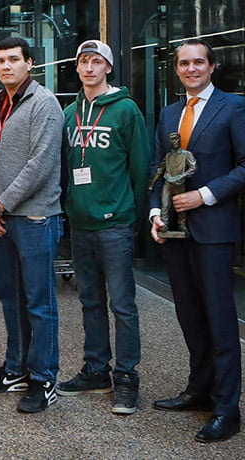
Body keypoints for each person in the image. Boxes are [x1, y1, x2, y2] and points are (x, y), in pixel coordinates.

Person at [149, 38, 245, 443]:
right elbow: (158, 169)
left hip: (213, 229)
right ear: (176, 69)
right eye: (184, 63)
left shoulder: (235, 107)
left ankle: (227, 410)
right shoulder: (169, 113)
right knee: (190, 316)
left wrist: (205, 194)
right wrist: (155, 212)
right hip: (175, 230)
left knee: (220, 319)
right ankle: (199, 391)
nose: (191, 69)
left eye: (198, 62)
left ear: (211, 67)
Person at [56, 40, 151, 415]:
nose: (89, 68)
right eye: (83, 62)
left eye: (97, 62)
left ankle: (126, 376)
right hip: (80, 222)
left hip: (115, 223)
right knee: (89, 301)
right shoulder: (69, 113)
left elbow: (140, 167)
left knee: (123, 304)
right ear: (77, 68)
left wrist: (133, 216)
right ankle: (96, 368)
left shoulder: (126, 111)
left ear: (108, 68)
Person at [0, 37, 64, 413]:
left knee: (39, 302)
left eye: (14, 60)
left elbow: (40, 165)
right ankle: (15, 368)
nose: (6, 66)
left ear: (30, 63)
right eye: (1, 60)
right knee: (9, 298)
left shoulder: (45, 104)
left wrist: (0, 204)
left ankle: (43, 378)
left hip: (35, 217)